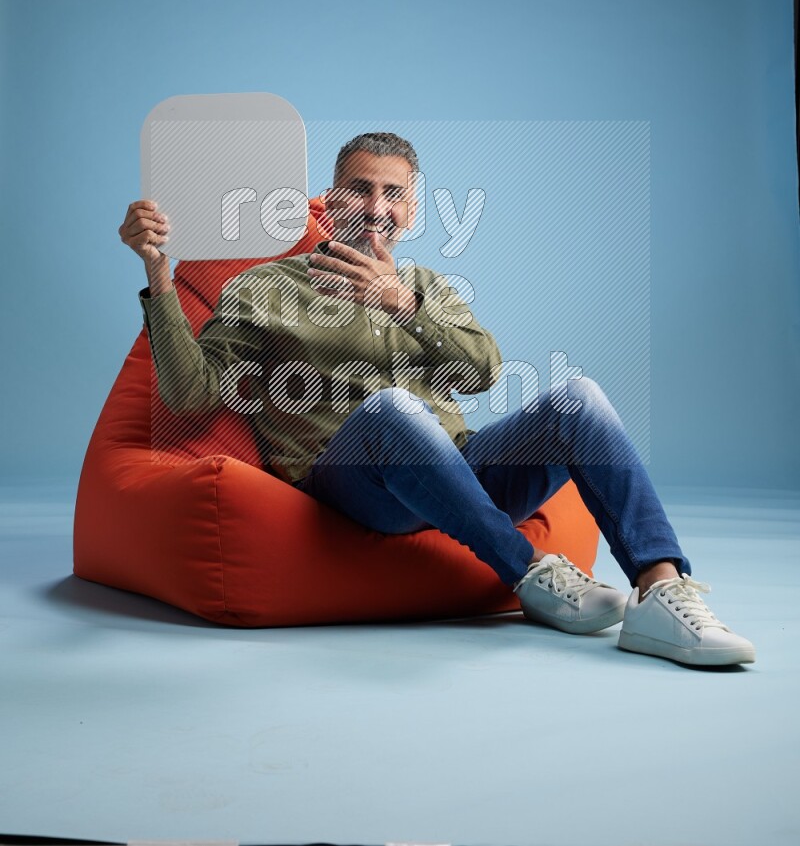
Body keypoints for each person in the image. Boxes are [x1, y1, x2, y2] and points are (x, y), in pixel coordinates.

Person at [120, 130, 755, 667]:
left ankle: (660, 593)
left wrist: (404, 305)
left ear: (412, 210)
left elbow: (483, 371)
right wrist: (156, 271)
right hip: (354, 489)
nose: (375, 206)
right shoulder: (266, 287)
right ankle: (531, 572)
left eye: (392, 192)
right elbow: (188, 393)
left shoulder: (428, 286)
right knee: (393, 410)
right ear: (328, 201)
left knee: (579, 400)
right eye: (360, 188)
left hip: (457, 472)